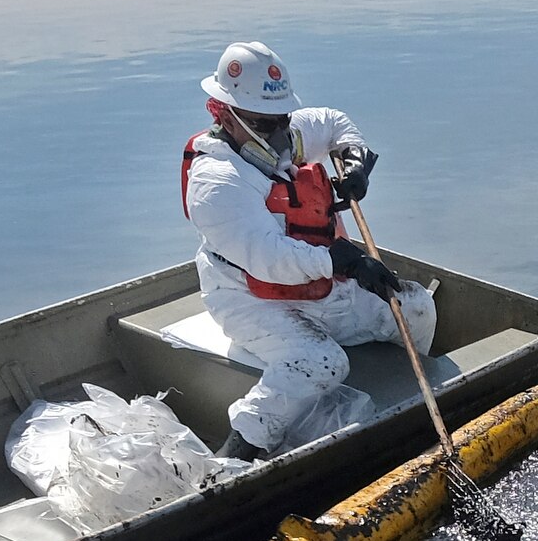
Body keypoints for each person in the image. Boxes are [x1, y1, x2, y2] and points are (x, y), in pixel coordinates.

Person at [179, 39, 431, 458]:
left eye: (283, 119)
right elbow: (267, 258)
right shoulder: (216, 182)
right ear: (226, 114)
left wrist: (352, 159)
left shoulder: (286, 133)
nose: (279, 133)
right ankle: (239, 451)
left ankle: (420, 404)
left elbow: (333, 122)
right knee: (322, 361)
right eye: (264, 124)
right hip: (250, 299)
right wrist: (337, 260)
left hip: (321, 285)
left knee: (417, 307)